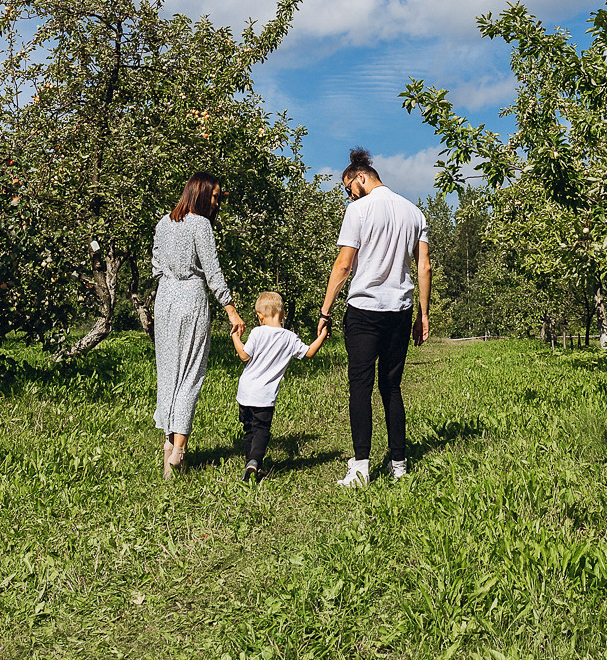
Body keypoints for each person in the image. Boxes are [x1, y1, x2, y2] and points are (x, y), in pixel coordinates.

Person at [315, 147, 429, 487]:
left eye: (349, 189)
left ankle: (361, 467)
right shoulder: (414, 213)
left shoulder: (359, 210)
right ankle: (399, 465)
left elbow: (343, 265)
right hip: (400, 310)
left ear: (361, 177)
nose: (349, 196)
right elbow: (423, 267)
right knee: (391, 387)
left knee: (360, 386)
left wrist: (325, 310)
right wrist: (423, 314)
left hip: (364, 311)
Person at [152, 172, 245, 478]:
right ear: (202, 194)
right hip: (191, 299)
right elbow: (213, 272)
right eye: (215, 196)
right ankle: (178, 453)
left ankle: (168, 448)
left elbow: (156, 266)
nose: (217, 202)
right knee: (190, 374)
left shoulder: (163, 223)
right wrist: (231, 310)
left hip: (164, 299)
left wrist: (169, 281)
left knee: (168, 375)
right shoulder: (200, 225)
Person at [228, 290, 325, 483]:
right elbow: (309, 353)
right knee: (261, 429)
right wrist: (322, 335)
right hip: (265, 396)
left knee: (249, 430)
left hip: (245, 392)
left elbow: (244, 356)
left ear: (260, 315)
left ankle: (250, 463)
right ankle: (255, 462)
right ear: (283, 314)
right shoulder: (289, 337)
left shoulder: (257, 332)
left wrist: (235, 337)